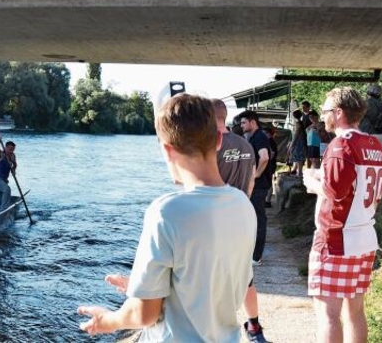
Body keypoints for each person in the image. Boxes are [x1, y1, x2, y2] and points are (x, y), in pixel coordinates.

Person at [77, 94, 255, 340]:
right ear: (217, 140)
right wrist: (144, 286)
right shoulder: (243, 205)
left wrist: (107, 320)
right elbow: (215, 283)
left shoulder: (166, 212)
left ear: (167, 150)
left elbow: (144, 315)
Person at [303, 87, 382, 343]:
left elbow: (334, 194)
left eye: (326, 110)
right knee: (355, 312)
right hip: (364, 236)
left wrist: (311, 182)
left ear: (338, 113)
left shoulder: (341, 145)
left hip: (336, 239)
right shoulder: (374, 144)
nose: (322, 115)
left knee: (328, 313)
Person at [212, 99, 268, 343]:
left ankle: (217, 330)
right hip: (243, 214)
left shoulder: (210, 145)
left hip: (217, 219)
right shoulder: (244, 144)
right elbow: (252, 181)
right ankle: (254, 327)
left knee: (211, 277)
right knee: (246, 276)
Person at [238, 110, 273, 265]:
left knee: (259, 220)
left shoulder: (259, 137)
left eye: (244, 122)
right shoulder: (255, 137)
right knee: (254, 220)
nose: (241, 125)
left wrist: (255, 176)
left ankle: (256, 257)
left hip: (259, 186)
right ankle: (253, 254)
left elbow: (264, 157)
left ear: (252, 122)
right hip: (257, 185)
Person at [0, 134, 16, 212]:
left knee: (1, 195)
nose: (11, 151)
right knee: (7, 190)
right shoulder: (1, 154)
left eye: (13, 149)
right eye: (10, 149)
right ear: (5, 148)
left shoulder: (12, 156)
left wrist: (13, 169)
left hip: (4, 180)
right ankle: (4, 210)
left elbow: (15, 164)